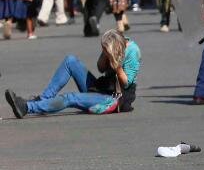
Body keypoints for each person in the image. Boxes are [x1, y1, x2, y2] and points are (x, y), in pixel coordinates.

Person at [4, 29, 141, 118]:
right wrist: (106, 56)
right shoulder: (112, 44)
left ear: (114, 48)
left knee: (71, 97)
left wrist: (117, 66)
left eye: (105, 50)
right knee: (70, 61)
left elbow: (126, 83)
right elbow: (100, 68)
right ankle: (44, 100)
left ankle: (27, 107)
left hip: (115, 98)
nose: (103, 51)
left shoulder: (133, 51)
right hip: (102, 87)